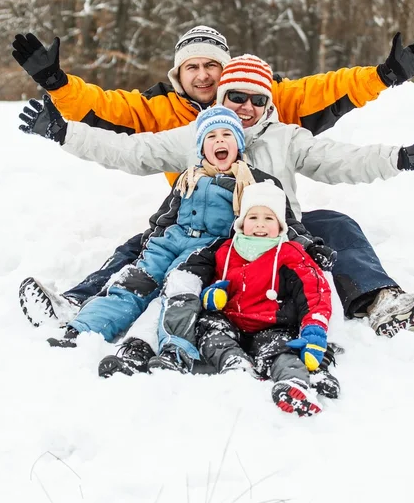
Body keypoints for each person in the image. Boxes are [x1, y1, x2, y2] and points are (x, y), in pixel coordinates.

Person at [18, 54, 414, 374]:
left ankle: (384, 304)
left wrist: (403, 157)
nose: (245, 107)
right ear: (222, 98)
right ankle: (75, 303)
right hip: (211, 240)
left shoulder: (286, 137)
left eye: (256, 99)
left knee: (336, 224)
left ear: (268, 104)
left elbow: (341, 158)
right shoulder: (198, 135)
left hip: (280, 233)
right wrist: (64, 132)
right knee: (145, 243)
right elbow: (131, 150)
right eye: (236, 97)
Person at [45, 106, 327, 363]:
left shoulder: (257, 181)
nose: (219, 141)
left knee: (176, 295)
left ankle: (166, 348)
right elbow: (165, 217)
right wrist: (152, 242)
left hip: (207, 250)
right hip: (169, 244)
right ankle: (82, 330)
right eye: (211, 136)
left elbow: (284, 222)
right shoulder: (188, 177)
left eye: (227, 134)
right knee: (132, 283)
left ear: (238, 144)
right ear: (202, 146)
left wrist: (310, 247)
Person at [188, 181, 334, 417]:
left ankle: (293, 384)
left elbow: (315, 293)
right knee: (210, 332)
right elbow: (214, 280)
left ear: (280, 225)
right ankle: (235, 365)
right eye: (253, 217)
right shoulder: (226, 251)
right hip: (231, 322)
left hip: (271, 326)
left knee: (282, 351)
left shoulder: (290, 254)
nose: (260, 225)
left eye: (269, 218)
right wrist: (213, 294)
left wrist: (314, 330)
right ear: (242, 222)